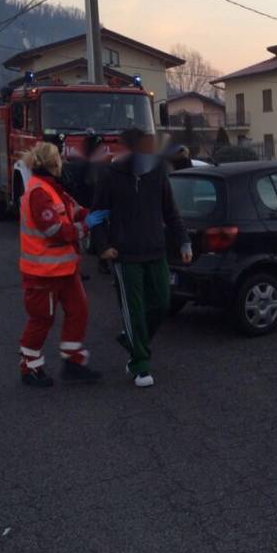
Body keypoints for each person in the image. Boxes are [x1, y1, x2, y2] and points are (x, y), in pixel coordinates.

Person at [91, 128, 191, 388]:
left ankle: (132, 338)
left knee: (161, 301)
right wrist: (103, 246)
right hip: (125, 255)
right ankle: (140, 364)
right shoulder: (110, 175)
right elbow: (96, 215)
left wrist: (183, 240)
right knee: (133, 309)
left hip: (155, 250)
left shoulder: (157, 173)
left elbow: (170, 211)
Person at [18, 142, 106, 387]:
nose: (62, 164)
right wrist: (86, 225)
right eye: (58, 159)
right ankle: (29, 368)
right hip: (43, 273)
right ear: (51, 163)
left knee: (79, 311)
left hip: (64, 270)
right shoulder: (39, 192)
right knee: (41, 320)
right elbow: (55, 230)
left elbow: (73, 210)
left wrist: (94, 212)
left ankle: (73, 362)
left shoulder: (52, 189)